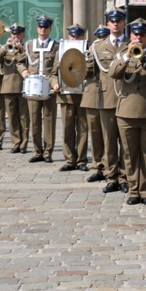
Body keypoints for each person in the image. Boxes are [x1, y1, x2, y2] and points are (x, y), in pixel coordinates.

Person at [111, 18, 146, 205]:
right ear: (131, 36)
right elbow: (113, 73)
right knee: (129, 154)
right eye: (135, 34)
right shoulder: (122, 54)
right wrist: (127, 56)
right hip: (126, 113)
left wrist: (143, 59)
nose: (139, 37)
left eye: (142, 35)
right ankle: (133, 190)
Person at [16, 14, 59, 163]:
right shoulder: (28, 45)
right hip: (32, 87)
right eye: (40, 26)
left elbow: (58, 68)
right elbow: (20, 62)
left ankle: (48, 152)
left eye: (45, 27)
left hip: (49, 87)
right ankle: (37, 151)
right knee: (34, 120)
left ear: (50, 29)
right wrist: (24, 72)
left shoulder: (56, 46)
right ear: (37, 28)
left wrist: (55, 83)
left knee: (49, 121)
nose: (43, 29)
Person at [97, 7, 130, 194]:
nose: (115, 23)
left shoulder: (131, 44)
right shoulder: (98, 47)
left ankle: (125, 177)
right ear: (107, 23)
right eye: (112, 20)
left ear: (124, 23)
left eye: (119, 20)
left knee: (126, 141)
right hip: (107, 98)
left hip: (126, 97)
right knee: (109, 141)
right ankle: (112, 177)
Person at [51, 24, 89, 172]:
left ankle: (81, 160)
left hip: (83, 95)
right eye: (72, 36)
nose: (75, 38)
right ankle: (69, 160)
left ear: (82, 37)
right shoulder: (61, 52)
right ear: (68, 37)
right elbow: (53, 73)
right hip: (65, 96)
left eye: (78, 36)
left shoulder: (87, 49)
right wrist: (55, 85)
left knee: (83, 129)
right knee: (67, 129)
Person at [0, 23, 29, 154]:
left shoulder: (27, 47)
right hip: (8, 86)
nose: (16, 36)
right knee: (13, 117)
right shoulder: (6, 48)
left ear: (23, 35)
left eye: (18, 34)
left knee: (24, 117)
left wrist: (20, 49)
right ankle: (16, 143)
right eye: (14, 34)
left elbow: (30, 62)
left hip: (23, 85)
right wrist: (4, 48)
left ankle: (24, 144)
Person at [81, 25, 109, 182]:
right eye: (99, 38)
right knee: (96, 134)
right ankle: (98, 166)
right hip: (92, 96)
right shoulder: (90, 53)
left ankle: (112, 167)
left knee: (110, 136)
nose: (101, 41)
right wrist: (90, 56)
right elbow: (82, 73)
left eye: (103, 38)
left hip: (110, 96)